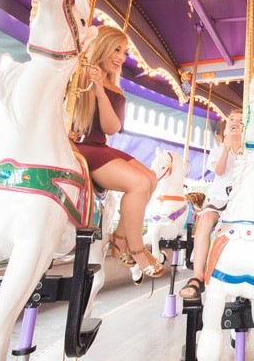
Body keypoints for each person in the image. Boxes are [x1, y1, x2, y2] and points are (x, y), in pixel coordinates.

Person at [72, 25, 163, 278]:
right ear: (101, 47)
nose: (121, 57)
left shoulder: (116, 91)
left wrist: (101, 89)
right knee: (138, 182)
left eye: (124, 52)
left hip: (100, 146)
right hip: (80, 146)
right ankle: (135, 248)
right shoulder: (78, 76)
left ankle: (120, 236)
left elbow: (111, 128)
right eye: (116, 49)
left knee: (151, 178)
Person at [178, 109, 243, 298]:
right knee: (205, 220)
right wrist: (226, 149)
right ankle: (198, 275)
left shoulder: (249, 151)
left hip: (241, 198)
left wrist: (239, 149)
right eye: (231, 119)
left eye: (240, 120)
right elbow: (220, 171)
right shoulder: (217, 150)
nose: (235, 122)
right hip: (219, 199)